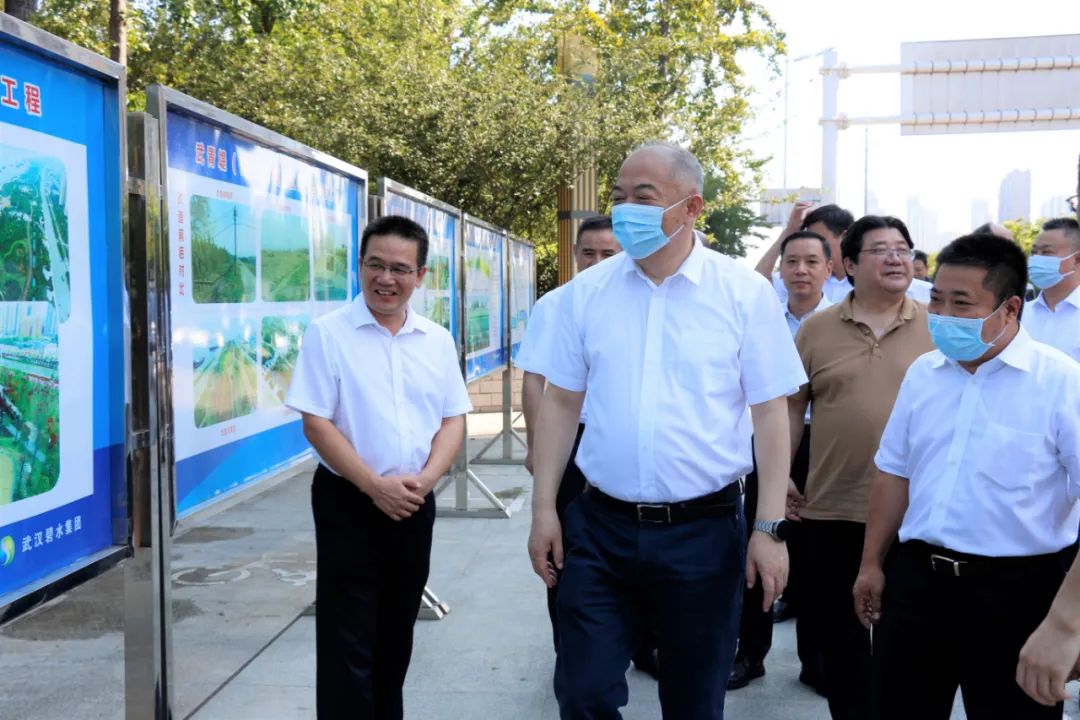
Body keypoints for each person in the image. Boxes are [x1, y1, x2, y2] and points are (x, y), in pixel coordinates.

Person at [527, 141, 806, 719]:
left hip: (704, 533)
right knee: (583, 690)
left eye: (644, 196)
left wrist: (769, 528)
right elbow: (561, 403)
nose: (625, 209)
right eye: (619, 196)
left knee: (694, 698)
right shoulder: (587, 294)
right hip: (599, 528)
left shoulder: (743, 293)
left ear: (691, 207)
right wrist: (543, 508)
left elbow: (770, 414)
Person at [852, 233, 1080, 719]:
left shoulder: (1061, 383)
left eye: (961, 303)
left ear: (1010, 308)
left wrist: (1067, 624)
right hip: (917, 584)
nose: (943, 315)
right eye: (936, 299)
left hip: (1017, 594)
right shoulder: (924, 373)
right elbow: (894, 474)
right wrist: (871, 563)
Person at [286, 215, 471, 719]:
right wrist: (373, 486)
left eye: (400, 269)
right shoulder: (328, 334)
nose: (385, 278)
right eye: (375, 265)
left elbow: (453, 419)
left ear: (420, 275)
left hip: (413, 500)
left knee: (396, 631)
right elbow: (316, 422)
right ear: (359, 266)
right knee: (347, 638)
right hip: (348, 500)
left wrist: (425, 482)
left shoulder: (435, 339)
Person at [787, 215, 934, 720]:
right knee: (842, 644)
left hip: (917, 515)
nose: (896, 258)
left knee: (910, 646)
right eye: (881, 249)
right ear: (848, 264)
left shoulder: (939, 325)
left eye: (903, 248)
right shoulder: (817, 329)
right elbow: (791, 407)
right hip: (833, 509)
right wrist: (783, 475)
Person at [517, 216, 652, 672]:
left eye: (607, 253)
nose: (596, 261)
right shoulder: (557, 303)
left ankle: (642, 645)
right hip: (569, 440)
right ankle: (571, 649)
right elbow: (535, 380)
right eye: (587, 253)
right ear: (574, 255)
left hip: (622, 441)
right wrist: (536, 445)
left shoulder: (645, 300)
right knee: (564, 548)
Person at [728, 230, 832, 692]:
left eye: (812, 261)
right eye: (792, 261)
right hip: (770, 444)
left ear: (831, 269)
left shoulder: (839, 323)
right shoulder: (762, 311)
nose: (801, 270)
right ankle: (750, 653)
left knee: (817, 556)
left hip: (825, 445)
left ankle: (817, 660)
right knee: (761, 542)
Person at [755, 202, 856, 303]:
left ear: (844, 237)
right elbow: (757, 283)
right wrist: (790, 230)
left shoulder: (862, 280)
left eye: (818, 239)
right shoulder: (804, 277)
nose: (811, 245)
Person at [1024, 218, 1080, 362]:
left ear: (1077, 259)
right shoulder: (1019, 316)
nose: (1036, 259)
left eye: (1047, 252)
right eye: (1034, 252)